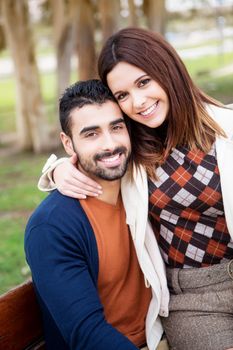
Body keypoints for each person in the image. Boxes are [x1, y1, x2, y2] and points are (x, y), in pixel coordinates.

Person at [38, 27, 233, 350]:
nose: (138, 102)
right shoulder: (136, 147)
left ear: (168, 71)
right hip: (191, 299)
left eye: (144, 83)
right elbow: (96, 149)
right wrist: (56, 169)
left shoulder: (227, 128)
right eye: (122, 95)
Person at [25, 79, 170, 350]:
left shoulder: (141, 185)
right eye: (91, 134)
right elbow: (87, 335)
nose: (110, 145)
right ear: (68, 144)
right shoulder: (52, 227)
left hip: (162, 335)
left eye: (116, 127)